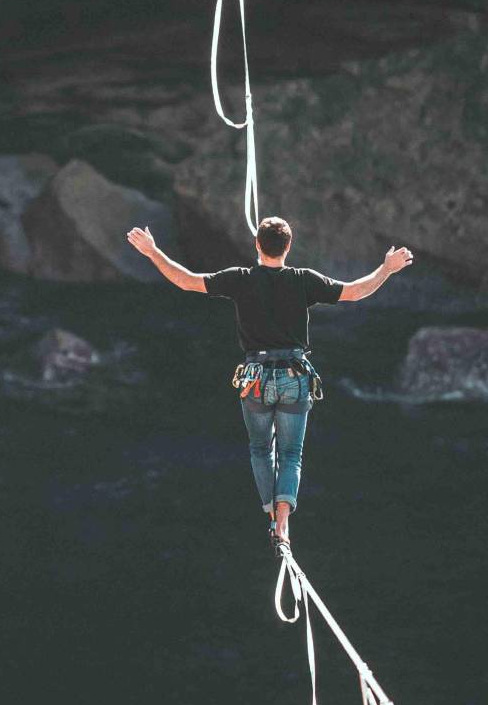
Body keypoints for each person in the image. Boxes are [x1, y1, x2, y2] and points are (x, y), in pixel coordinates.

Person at [125, 217, 413, 546]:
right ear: (288, 247)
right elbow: (355, 292)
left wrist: (153, 252)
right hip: (294, 375)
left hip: (256, 378)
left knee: (261, 449)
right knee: (291, 455)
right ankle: (283, 523)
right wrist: (387, 268)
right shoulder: (304, 280)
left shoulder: (240, 279)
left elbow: (187, 281)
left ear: (257, 246)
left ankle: (271, 513)